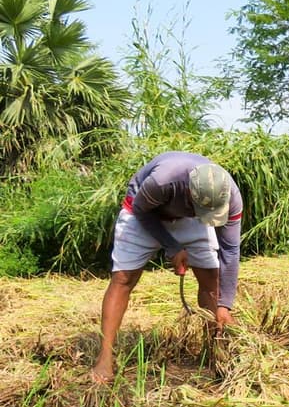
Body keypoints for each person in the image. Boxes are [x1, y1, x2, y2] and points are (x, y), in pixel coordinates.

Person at [92, 152, 242, 384]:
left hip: (189, 216)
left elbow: (230, 251)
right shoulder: (163, 181)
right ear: (190, 195)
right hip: (144, 213)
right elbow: (141, 210)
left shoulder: (229, 196)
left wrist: (225, 305)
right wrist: (172, 247)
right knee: (123, 278)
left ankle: (218, 351)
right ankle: (104, 358)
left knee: (212, 279)